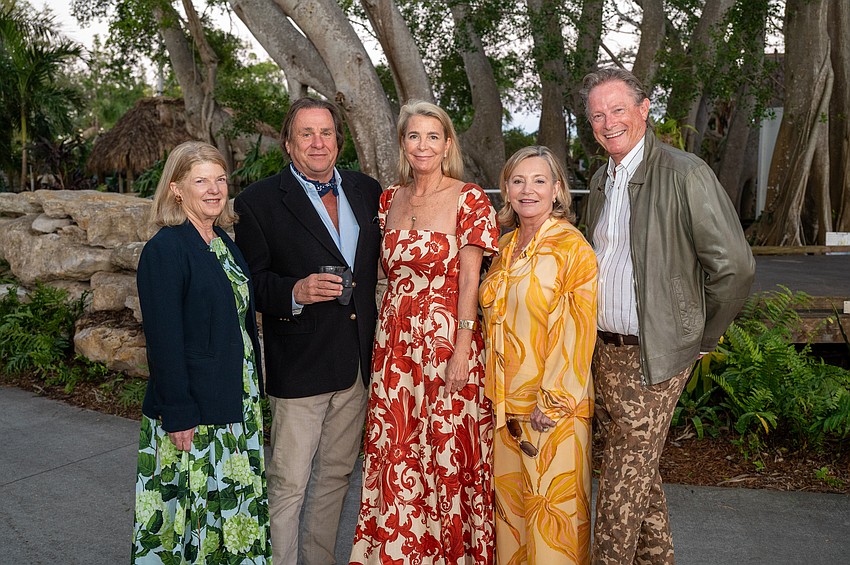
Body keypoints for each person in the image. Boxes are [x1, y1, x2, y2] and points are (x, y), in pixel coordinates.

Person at [581, 67, 755, 564]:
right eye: (597, 114)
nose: (608, 121)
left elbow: (735, 269)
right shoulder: (601, 180)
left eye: (617, 109)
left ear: (644, 109)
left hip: (657, 354)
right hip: (604, 351)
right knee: (639, 476)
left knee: (618, 485)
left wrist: (701, 337)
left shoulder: (685, 173)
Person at [349, 100, 499, 564]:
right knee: (396, 450)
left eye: (433, 136)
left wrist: (461, 350)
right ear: (402, 143)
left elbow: (470, 282)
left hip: (446, 344)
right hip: (394, 347)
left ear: (447, 143)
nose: (423, 145)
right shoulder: (386, 200)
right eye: (414, 136)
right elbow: (376, 273)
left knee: (445, 450)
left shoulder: (469, 198)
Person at [233, 98, 383, 565]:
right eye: (306, 134)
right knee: (289, 482)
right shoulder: (257, 202)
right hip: (298, 366)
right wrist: (295, 290)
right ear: (288, 143)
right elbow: (252, 284)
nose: (318, 143)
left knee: (336, 477)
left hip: (357, 363)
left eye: (326, 133)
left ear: (339, 140)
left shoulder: (367, 190)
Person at [132, 141, 271, 563]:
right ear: (176, 189)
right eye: (200, 181)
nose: (214, 189)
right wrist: (179, 411)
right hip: (196, 412)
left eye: (220, 179)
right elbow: (163, 340)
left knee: (233, 513)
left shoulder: (223, 242)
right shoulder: (166, 249)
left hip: (236, 402)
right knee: (193, 519)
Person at [479, 146, 598, 565]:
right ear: (507, 190)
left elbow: (577, 328)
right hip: (504, 406)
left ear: (558, 190)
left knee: (553, 527)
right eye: (518, 180)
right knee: (512, 523)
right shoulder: (505, 246)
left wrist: (554, 398)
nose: (527, 189)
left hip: (551, 410)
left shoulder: (572, 248)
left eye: (539, 180)